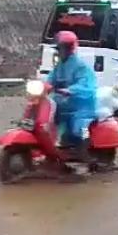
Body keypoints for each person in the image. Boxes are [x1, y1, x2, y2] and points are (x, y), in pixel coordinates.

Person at [46, 31, 97, 163]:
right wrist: (43, 86)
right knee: (47, 117)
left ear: (69, 49)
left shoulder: (80, 66)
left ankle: (86, 153)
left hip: (81, 104)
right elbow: (50, 79)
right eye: (58, 48)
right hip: (64, 103)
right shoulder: (59, 66)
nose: (59, 51)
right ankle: (53, 146)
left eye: (61, 48)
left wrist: (70, 90)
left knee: (77, 128)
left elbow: (86, 85)